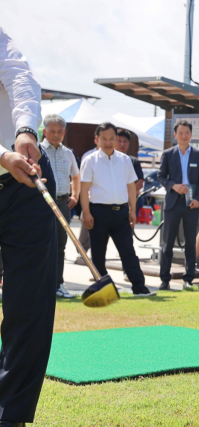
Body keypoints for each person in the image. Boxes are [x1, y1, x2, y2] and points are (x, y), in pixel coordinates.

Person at [0, 26, 58, 425]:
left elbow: (19, 74)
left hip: (26, 179)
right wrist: (3, 155)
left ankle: (11, 415)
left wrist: (25, 131)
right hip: (8, 163)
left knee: (30, 304)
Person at [80, 122, 155, 297]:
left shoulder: (125, 160)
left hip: (121, 212)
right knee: (98, 253)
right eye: (104, 139)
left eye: (112, 138)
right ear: (96, 140)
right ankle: (104, 289)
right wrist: (86, 212)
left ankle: (139, 287)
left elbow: (131, 186)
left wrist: (132, 209)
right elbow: (84, 189)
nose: (108, 142)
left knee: (128, 250)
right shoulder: (90, 160)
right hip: (98, 212)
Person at [158, 120, 199, 290]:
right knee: (167, 244)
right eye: (181, 133)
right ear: (175, 135)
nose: (184, 136)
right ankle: (165, 279)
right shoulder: (168, 154)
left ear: (191, 135)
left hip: (191, 203)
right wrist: (174, 186)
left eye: (187, 132)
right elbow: (161, 176)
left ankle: (188, 278)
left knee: (190, 243)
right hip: (173, 202)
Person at [42, 113, 80, 299]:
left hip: (63, 203)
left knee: (60, 245)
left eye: (59, 132)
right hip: (40, 204)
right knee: (38, 244)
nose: (56, 135)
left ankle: (58, 284)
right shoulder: (38, 150)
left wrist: (75, 194)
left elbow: (76, 176)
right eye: (52, 131)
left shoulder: (68, 153)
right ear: (44, 131)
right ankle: (38, 285)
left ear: (64, 133)